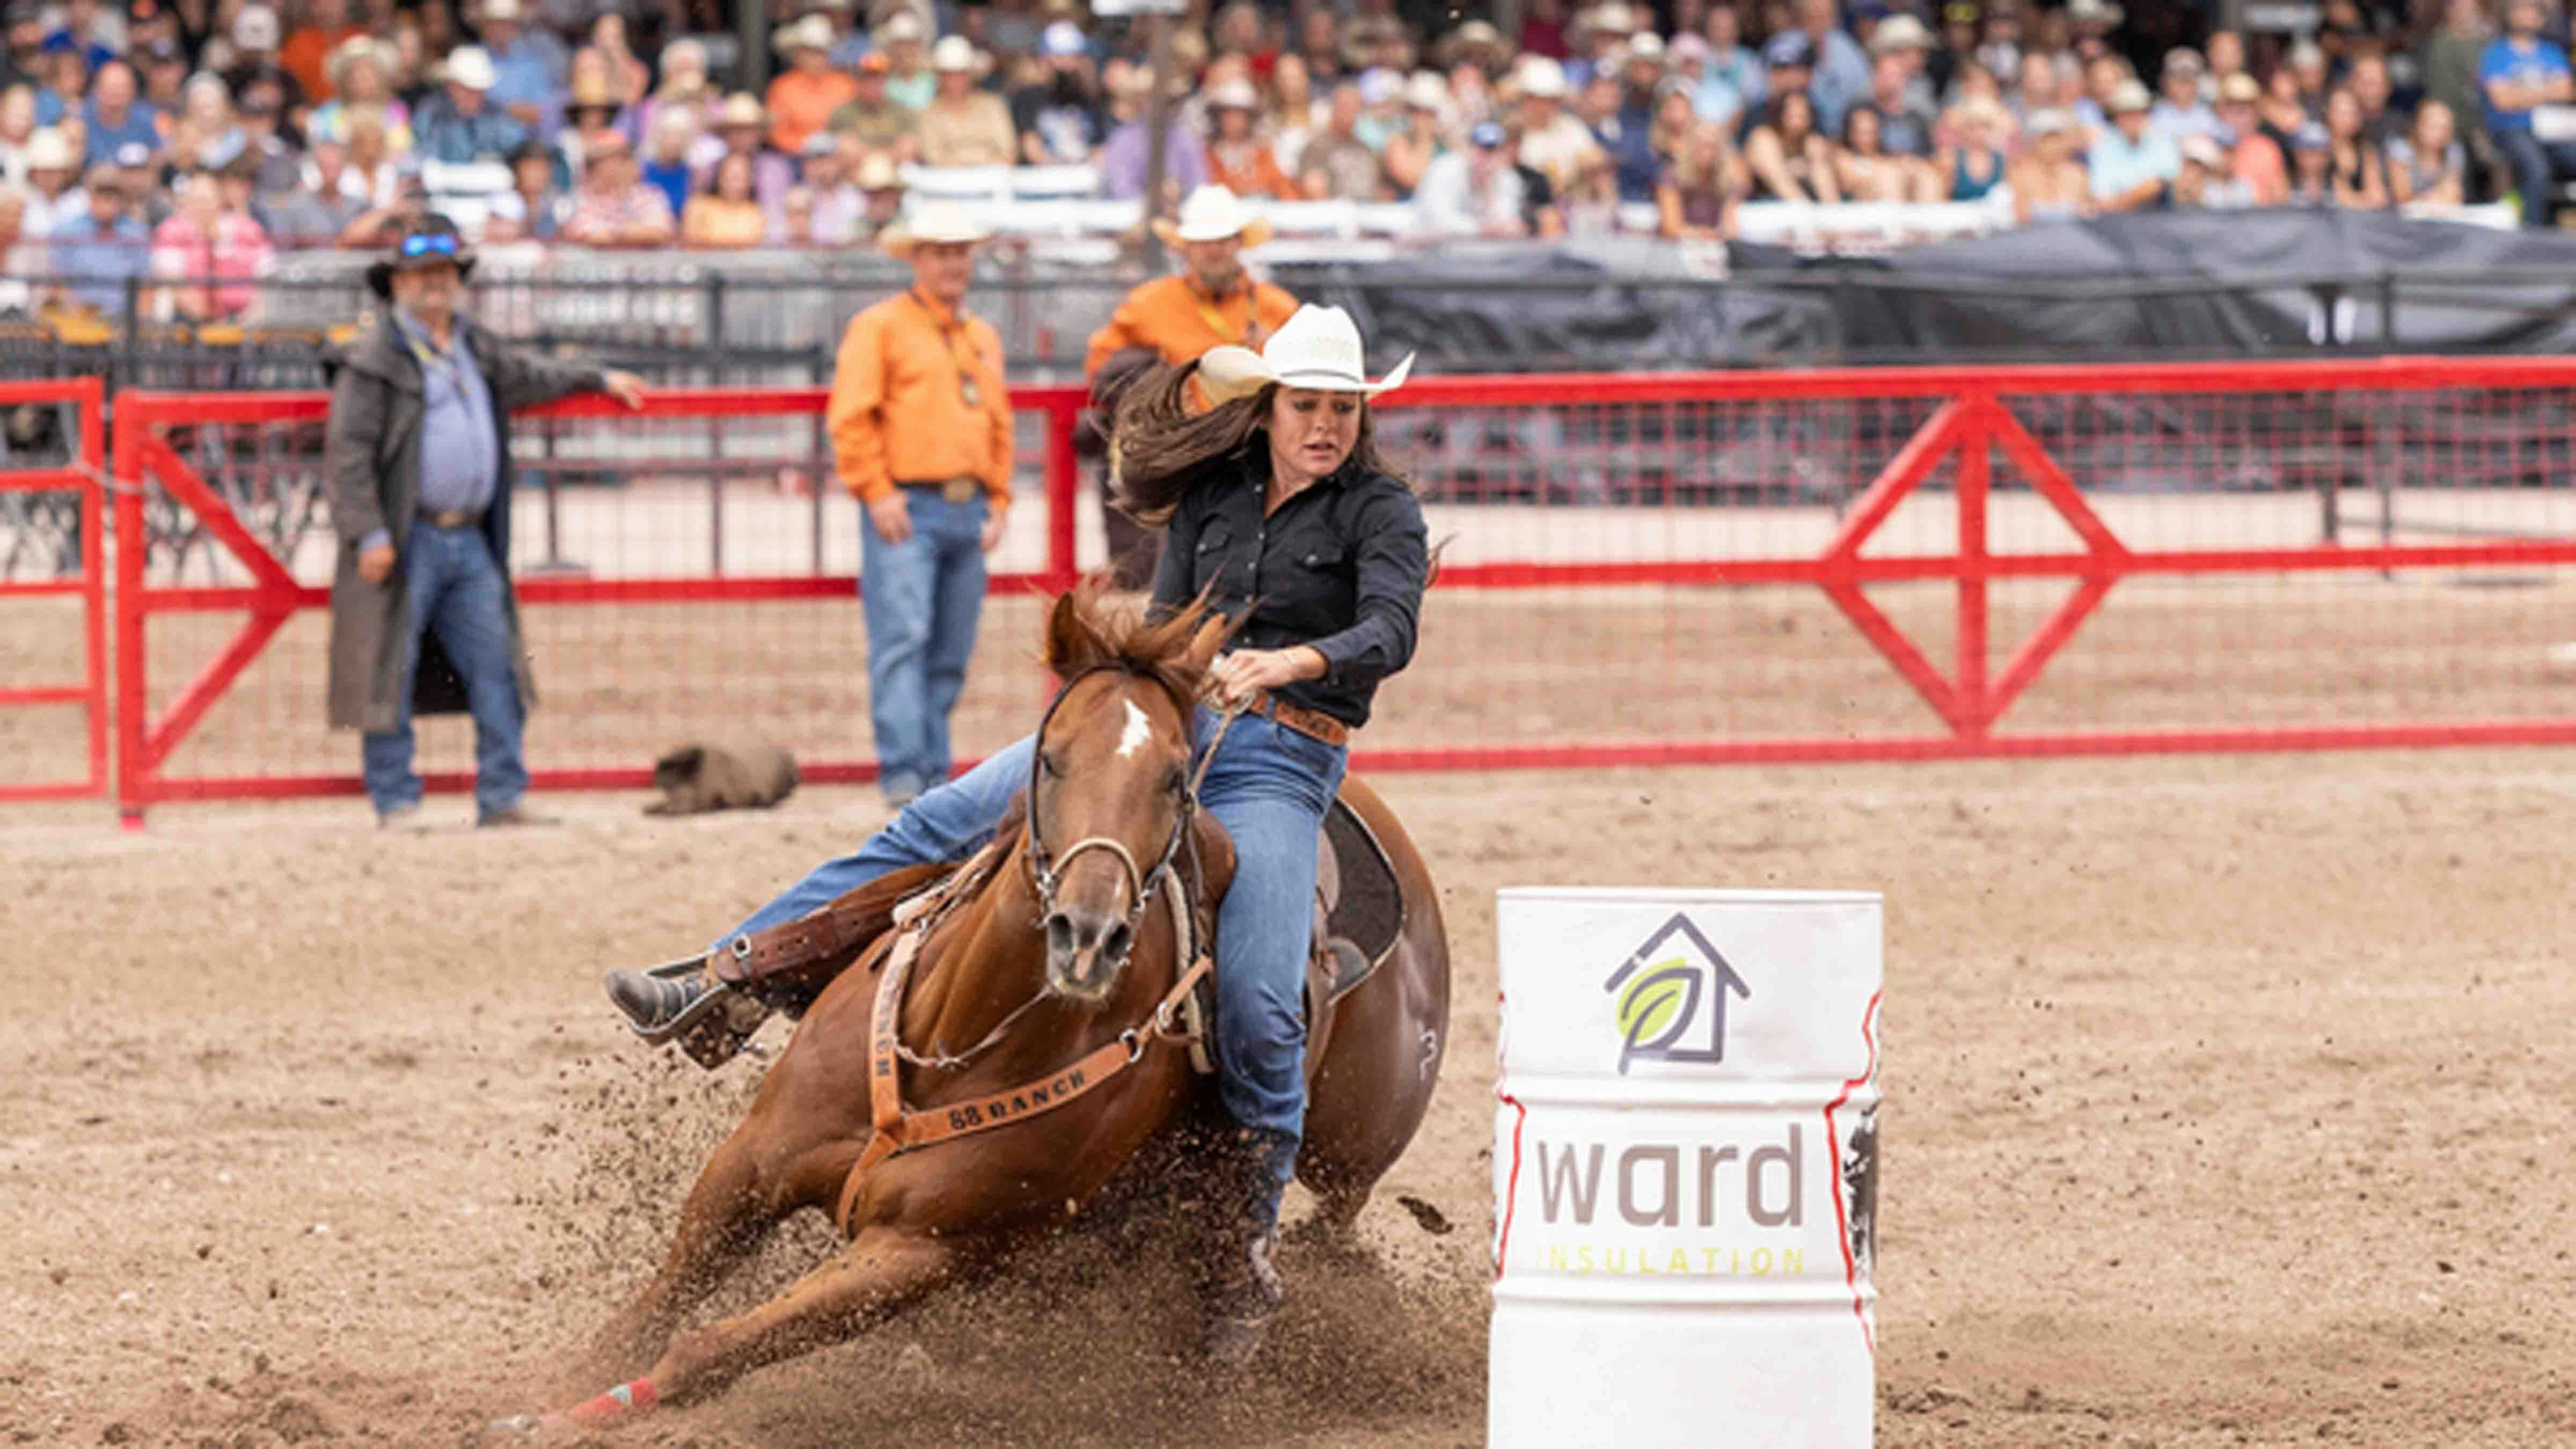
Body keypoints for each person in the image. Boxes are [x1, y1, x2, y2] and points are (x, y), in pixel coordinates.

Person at [601, 301, 1426, 1367]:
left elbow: (1391, 628)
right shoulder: (1215, 497)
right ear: (1267, 409)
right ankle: (729, 972)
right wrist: (1141, 686)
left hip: (1283, 758)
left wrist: (1288, 663)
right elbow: (1161, 624)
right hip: (1176, 725)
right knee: (936, 820)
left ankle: (1245, 1244)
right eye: (1306, 404)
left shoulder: (1380, 513)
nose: (1324, 424)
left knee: (1265, 995)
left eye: (1342, 409)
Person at [324, 216, 646, 830]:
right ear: (396, 283)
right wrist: (368, 531)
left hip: (465, 534)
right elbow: (348, 457)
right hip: (408, 533)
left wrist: (597, 377)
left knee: (495, 663)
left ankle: (502, 792)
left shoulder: (471, 346)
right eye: (421, 275)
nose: (433, 285)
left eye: (442, 273)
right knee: (389, 662)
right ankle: (397, 797)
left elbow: (532, 374)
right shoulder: (372, 361)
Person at [824, 201, 1012, 809]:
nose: (954, 264)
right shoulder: (880, 327)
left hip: (962, 505)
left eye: (960, 253)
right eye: (941, 253)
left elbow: (999, 425)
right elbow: (851, 417)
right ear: (917, 259)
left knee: (948, 646)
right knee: (906, 640)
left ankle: (929, 769)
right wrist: (876, 490)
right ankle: (908, 771)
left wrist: (1000, 497)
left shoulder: (980, 336)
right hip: (909, 502)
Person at [1085, 185, 1298, 377]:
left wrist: (1276, 350)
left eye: (1223, 240)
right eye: (1202, 242)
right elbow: (1100, 364)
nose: (1214, 250)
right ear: (1184, 247)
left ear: (1239, 243)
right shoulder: (1148, 303)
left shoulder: (1278, 308)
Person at [2482, 0, 2576, 226]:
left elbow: (2566, 91)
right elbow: (2502, 101)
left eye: (2532, 10)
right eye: (2520, 9)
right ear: (2510, 16)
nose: (2526, 15)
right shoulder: (2495, 53)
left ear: (2541, 18)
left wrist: (2520, 92)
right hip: (2511, 128)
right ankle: (2533, 235)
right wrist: (2546, 89)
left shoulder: (2552, 51)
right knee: (2537, 169)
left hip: (2554, 129)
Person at [413, 46, 524, 164]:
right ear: (452, 86)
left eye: (481, 90)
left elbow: (516, 146)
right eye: (470, 89)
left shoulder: (495, 113)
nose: (477, 96)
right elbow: (424, 152)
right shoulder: (432, 112)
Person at [917, 35, 1013, 167]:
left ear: (971, 75)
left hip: (991, 179)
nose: (955, 81)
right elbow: (932, 155)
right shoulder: (930, 112)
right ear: (939, 77)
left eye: (961, 74)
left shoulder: (993, 106)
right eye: (948, 74)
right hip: (947, 182)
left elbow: (1007, 150)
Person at [2086, 78, 2175, 214]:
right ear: (2116, 115)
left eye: (2138, 112)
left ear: (2145, 113)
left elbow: (2162, 183)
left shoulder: (2161, 139)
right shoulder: (2102, 145)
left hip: (2159, 215)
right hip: (2118, 221)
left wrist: (2122, 201)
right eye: (2127, 113)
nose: (2133, 118)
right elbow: (2101, 195)